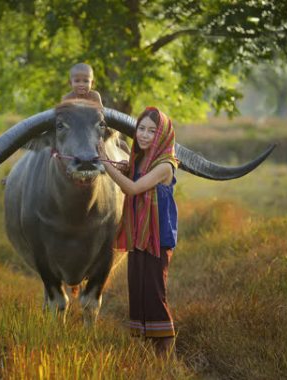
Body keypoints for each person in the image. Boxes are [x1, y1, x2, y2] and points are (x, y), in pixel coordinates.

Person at [97, 106, 178, 356]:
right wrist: (122, 166)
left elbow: (132, 189)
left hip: (157, 238)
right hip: (138, 236)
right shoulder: (140, 159)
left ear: (162, 135)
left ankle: (166, 354)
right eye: (141, 129)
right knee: (138, 292)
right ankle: (146, 352)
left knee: (154, 294)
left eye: (151, 131)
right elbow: (133, 175)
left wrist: (107, 166)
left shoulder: (165, 164)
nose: (143, 135)